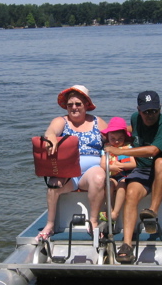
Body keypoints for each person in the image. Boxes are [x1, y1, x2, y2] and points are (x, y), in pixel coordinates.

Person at [104, 91, 162, 263]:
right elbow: (131, 131)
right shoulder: (135, 119)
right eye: (146, 111)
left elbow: (152, 151)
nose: (150, 115)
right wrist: (109, 139)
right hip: (143, 170)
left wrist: (119, 151)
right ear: (139, 110)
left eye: (154, 111)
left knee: (160, 162)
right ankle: (127, 244)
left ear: (160, 109)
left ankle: (152, 213)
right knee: (131, 192)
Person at [36, 85, 108, 241]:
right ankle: (50, 224)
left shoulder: (98, 121)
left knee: (99, 177)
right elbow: (50, 131)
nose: (74, 108)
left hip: (91, 172)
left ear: (86, 105)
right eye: (70, 105)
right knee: (53, 184)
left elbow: (111, 141)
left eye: (78, 104)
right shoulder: (61, 121)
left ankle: (94, 221)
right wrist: (51, 138)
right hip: (68, 173)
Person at [100, 117, 136, 223]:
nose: (116, 141)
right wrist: (111, 167)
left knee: (122, 185)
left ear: (124, 137)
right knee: (109, 184)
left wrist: (121, 165)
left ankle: (115, 212)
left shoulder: (128, 149)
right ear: (108, 138)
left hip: (124, 175)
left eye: (120, 139)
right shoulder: (106, 149)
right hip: (112, 175)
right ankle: (109, 209)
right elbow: (102, 164)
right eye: (113, 139)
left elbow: (134, 164)